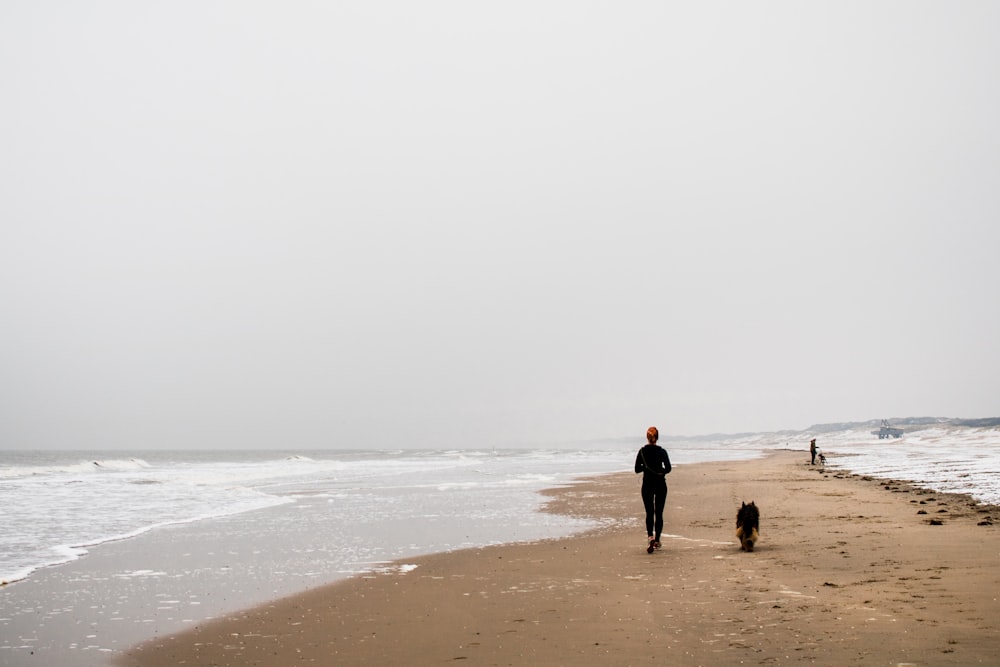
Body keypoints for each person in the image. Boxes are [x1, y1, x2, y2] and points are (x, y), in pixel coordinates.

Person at [635, 426, 672, 553]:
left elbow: (636, 469)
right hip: (660, 484)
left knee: (649, 512)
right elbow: (668, 468)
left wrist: (646, 468)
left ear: (647, 437)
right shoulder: (662, 451)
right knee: (659, 513)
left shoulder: (642, 452)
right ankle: (657, 540)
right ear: (657, 438)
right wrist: (660, 471)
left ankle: (650, 536)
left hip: (647, 485)